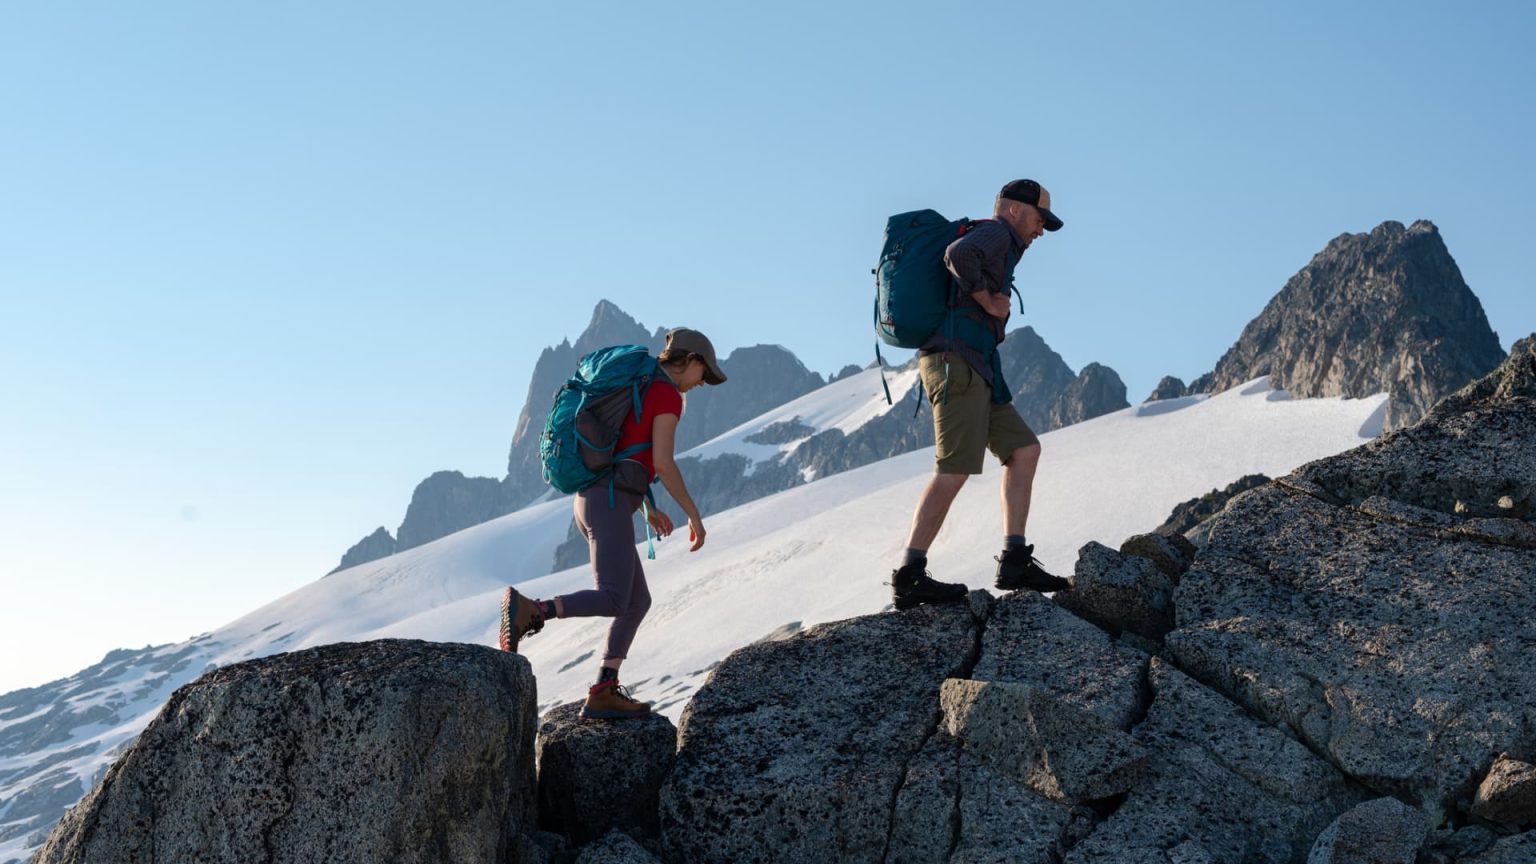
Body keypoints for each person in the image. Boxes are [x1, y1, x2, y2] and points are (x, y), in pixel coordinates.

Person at [500, 327, 726, 719]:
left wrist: (646, 510)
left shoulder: (643, 386)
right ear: (690, 360)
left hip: (597, 501)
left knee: (637, 601)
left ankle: (605, 686)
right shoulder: (666, 394)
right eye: (703, 374)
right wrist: (694, 514)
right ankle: (532, 610)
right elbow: (663, 463)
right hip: (606, 502)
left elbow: (624, 455)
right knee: (614, 597)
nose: (702, 384)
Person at [891, 179, 1073, 609]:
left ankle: (1014, 561)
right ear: (1013, 211)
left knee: (1024, 450)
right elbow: (957, 254)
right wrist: (987, 300)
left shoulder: (1003, 240)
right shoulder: (996, 232)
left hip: (978, 365)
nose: (1041, 230)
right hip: (956, 364)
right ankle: (909, 575)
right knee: (953, 468)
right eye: (1038, 219)